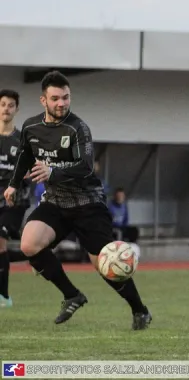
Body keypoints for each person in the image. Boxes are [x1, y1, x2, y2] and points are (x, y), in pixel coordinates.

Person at [3, 71, 152, 330]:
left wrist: (52, 172)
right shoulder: (30, 127)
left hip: (87, 203)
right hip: (56, 202)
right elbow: (25, 157)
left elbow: (85, 166)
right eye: (55, 98)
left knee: (106, 265)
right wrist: (14, 184)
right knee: (29, 244)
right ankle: (72, 295)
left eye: (66, 97)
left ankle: (140, 310)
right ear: (43, 100)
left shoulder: (78, 128)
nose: (61, 103)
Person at [0, 89, 31, 308]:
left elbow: (32, 170)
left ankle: (3, 297)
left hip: (14, 201)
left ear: (16, 109)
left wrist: (23, 174)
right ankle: (35, 256)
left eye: (11, 105)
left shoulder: (22, 140)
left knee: (0, 239)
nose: (6, 109)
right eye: (2, 104)